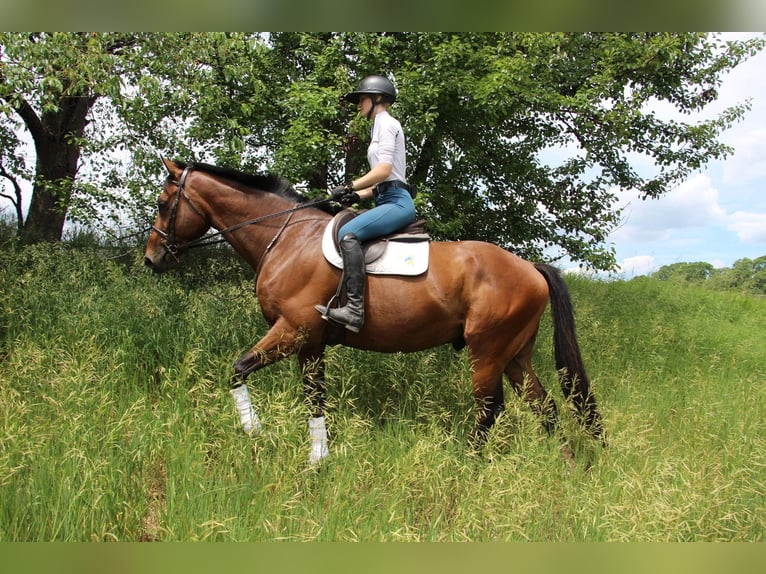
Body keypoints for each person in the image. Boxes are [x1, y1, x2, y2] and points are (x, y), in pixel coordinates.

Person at [315, 75, 416, 333]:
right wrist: (357, 196)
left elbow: (384, 170)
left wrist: (350, 186)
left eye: (362, 99)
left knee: (348, 235)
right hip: (387, 196)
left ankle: (354, 310)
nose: (359, 104)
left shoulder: (385, 123)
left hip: (397, 202)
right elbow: (385, 180)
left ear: (377, 98)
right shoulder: (379, 126)